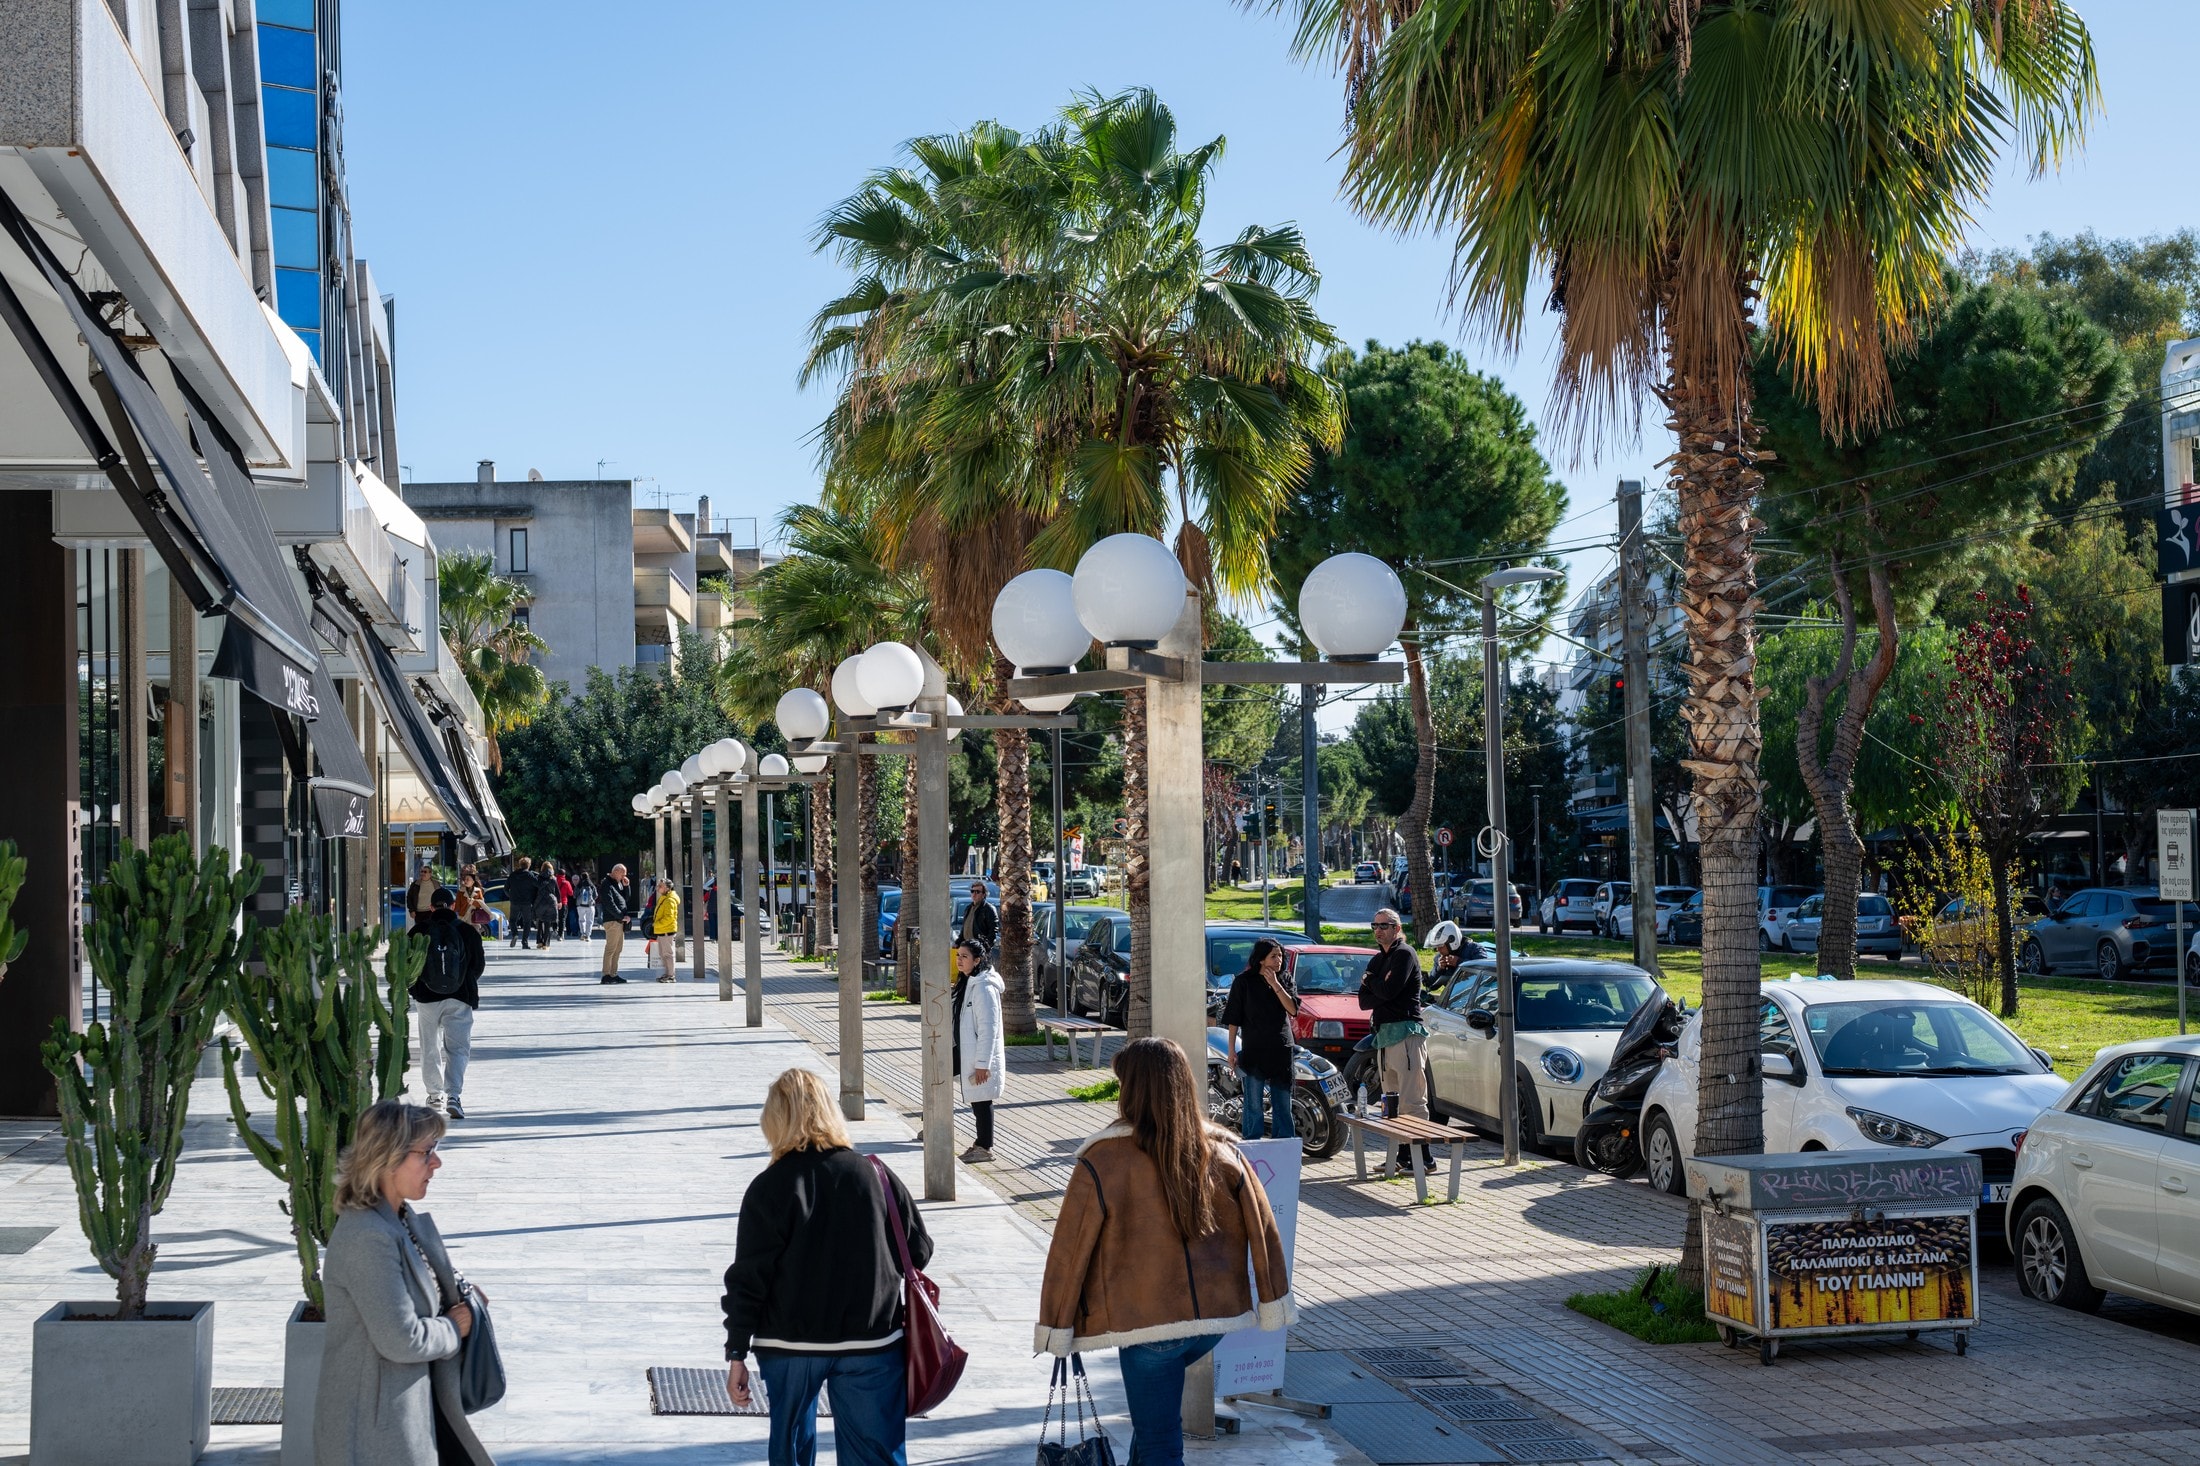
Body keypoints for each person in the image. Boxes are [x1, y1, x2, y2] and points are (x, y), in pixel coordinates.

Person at [1037, 1038, 1293, 1466]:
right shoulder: (1223, 1152)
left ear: (1131, 1089)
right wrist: (1272, 1299)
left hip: (1146, 1327)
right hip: (1210, 1322)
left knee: (1159, 1439)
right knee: (1152, 1428)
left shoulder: (1103, 1159)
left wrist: (1057, 1326)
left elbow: (1068, 1251)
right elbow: (1265, 1230)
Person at [721, 1068, 931, 1466]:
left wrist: (736, 1352)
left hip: (789, 1346)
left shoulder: (769, 1187)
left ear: (775, 1121)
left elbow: (749, 1279)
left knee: (792, 1452)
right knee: (875, 1456)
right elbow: (918, 1252)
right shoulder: (876, 1174)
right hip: (872, 1342)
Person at [316, 1099, 495, 1466]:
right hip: (372, 1434)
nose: (437, 1162)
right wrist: (454, 1326)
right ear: (388, 1159)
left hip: (405, 1418)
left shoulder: (400, 1220)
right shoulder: (368, 1237)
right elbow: (402, 1339)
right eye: (426, 1152)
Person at [1358, 907, 1432, 1172]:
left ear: (1397, 928)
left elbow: (1388, 992)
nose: (1378, 931)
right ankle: (1402, 1156)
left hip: (1407, 1034)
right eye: (1374, 926)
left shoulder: (1405, 954)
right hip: (1384, 1036)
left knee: (1413, 1099)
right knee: (1391, 1100)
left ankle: (1424, 1158)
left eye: (1384, 926)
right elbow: (1363, 1001)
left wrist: (1372, 981)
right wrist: (1377, 983)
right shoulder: (1379, 960)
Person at [411, 887, 486, 1121]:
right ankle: (454, 1095)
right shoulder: (468, 932)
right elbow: (478, 967)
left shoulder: (419, 931)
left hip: (426, 998)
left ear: (431, 908)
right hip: (460, 997)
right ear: (454, 906)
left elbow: (407, 963)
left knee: (429, 1046)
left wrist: (417, 988)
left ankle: (434, 1095)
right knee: (458, 1048)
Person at [1222, 938, 1299, 1141]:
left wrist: (1275, 984)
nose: (1278, 960)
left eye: (1280, 955)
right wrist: (1231, 1050)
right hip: (1253, 1049)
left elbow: (1292, 1009)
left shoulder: (1285, 979)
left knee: (1282, 1101)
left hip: (1281, 1048)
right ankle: (1252, 1144)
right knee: (1253, 1103)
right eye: (1273, 956)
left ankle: (1284, 1143)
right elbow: (1233, 1019)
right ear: (1261, 959)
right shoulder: (1244, 981)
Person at [955, 938, 1004, 1164]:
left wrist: (983, 1064)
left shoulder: (984, 987)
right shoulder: (968, 982)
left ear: (977, 960)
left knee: (982, 1101)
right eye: (958, 955)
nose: (959, 960)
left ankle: (984, 1147)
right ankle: (933, 1124)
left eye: (965, 957)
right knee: (940, 1081)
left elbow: (988, 1028)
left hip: (977, 1054)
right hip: (964, 1049)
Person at [1424, 919, 1485, 1003]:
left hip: (1475, 998)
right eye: (1436, 947)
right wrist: (1439, 969)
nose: (1438, 949)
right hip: (1453, 1000)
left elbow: (1485, 970)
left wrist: (1460, 962)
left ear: (1452, 942)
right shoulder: (1439, 957)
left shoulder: (1474, 949)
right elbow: (1431, 986)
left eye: (1441, 946)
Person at [598, 864, 633, 984]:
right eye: (623, 874)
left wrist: (626, 886)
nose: (624, 876)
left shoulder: (617, 883)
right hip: (612, 921)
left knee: (618, 949)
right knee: (611, 949)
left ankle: (613, 973)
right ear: (616, 871)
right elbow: (609, 904)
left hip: (619, 921)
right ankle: (606, 974)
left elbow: (625, 899)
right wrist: (621, 916)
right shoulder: (606, 884)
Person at [505, 857, 540, 950]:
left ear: (520, 865)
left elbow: (505, 889)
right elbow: (539, 885)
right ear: (529, 865)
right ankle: (525, 942)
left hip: (515, 902)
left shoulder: (512, 875)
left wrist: (511, 896)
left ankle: (515, 934)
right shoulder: (530, 875)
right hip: (527, 902)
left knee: (512, 920)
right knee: (527, 922)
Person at [651, 876, 681, 983]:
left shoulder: (669, 900)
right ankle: (668, 974)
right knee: (663, 953)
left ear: (667, 888)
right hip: (662, 930)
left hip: (666, 931)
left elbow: (669, 917)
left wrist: (657, 924)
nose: (658, 888)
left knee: (667, 954)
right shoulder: (664, 898)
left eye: (660, 886)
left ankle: (671, 975)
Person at [958, 879, 999, 954]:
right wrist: (958, 943)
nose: (974, 894)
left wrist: (984, 948)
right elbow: (964, 929)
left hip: (979, 950)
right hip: (968, 948)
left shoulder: (989, 909)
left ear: (983, 894)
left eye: (977, 892)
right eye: (972, 891)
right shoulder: (968, 908)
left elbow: (993, 932)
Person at [405, 860, 438, 936]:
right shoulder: (415, 884)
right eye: (421, 872)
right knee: (420, 932)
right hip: (419, 913)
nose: (422, 873)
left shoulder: (435, 884)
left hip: (431, 912)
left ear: (430, 873)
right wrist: (411, 910)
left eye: (425, 872)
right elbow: (409, 897)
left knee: (430, 931)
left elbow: (440, 896)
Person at [535, 861, 562, 948]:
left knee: (539, 921)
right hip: (551, 902)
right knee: (547, 923)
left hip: (540, 901)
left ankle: (539, 942)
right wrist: (559, 901)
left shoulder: (538, 878)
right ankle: (546, 944)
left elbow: (535, 891)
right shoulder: (553, 879)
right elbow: (557, 891)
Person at [576, 872, 597, 944]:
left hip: (580, 905)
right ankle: (588, 936)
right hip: (590, 905)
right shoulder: (591, 885)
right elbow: (596, 895)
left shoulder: (579, 885)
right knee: (590, 921)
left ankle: (583, 934)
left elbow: (575, 894)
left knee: (581, 920)